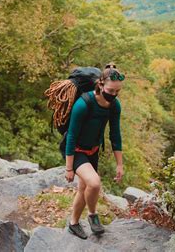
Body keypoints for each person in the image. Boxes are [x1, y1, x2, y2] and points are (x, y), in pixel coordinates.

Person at [64, 63, 125, 239]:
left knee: (84, 188)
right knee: (95, 183)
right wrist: (69, 168)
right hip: (75, 151)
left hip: (93, 150)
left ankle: (73, 223)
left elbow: (115, 135)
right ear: (100, 85)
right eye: (110, 90)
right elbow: (71, 136)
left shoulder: (114, 106)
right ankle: (92, 215)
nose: (113, 95)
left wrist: (119, 164)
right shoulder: (83, 104)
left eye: (117, 92)